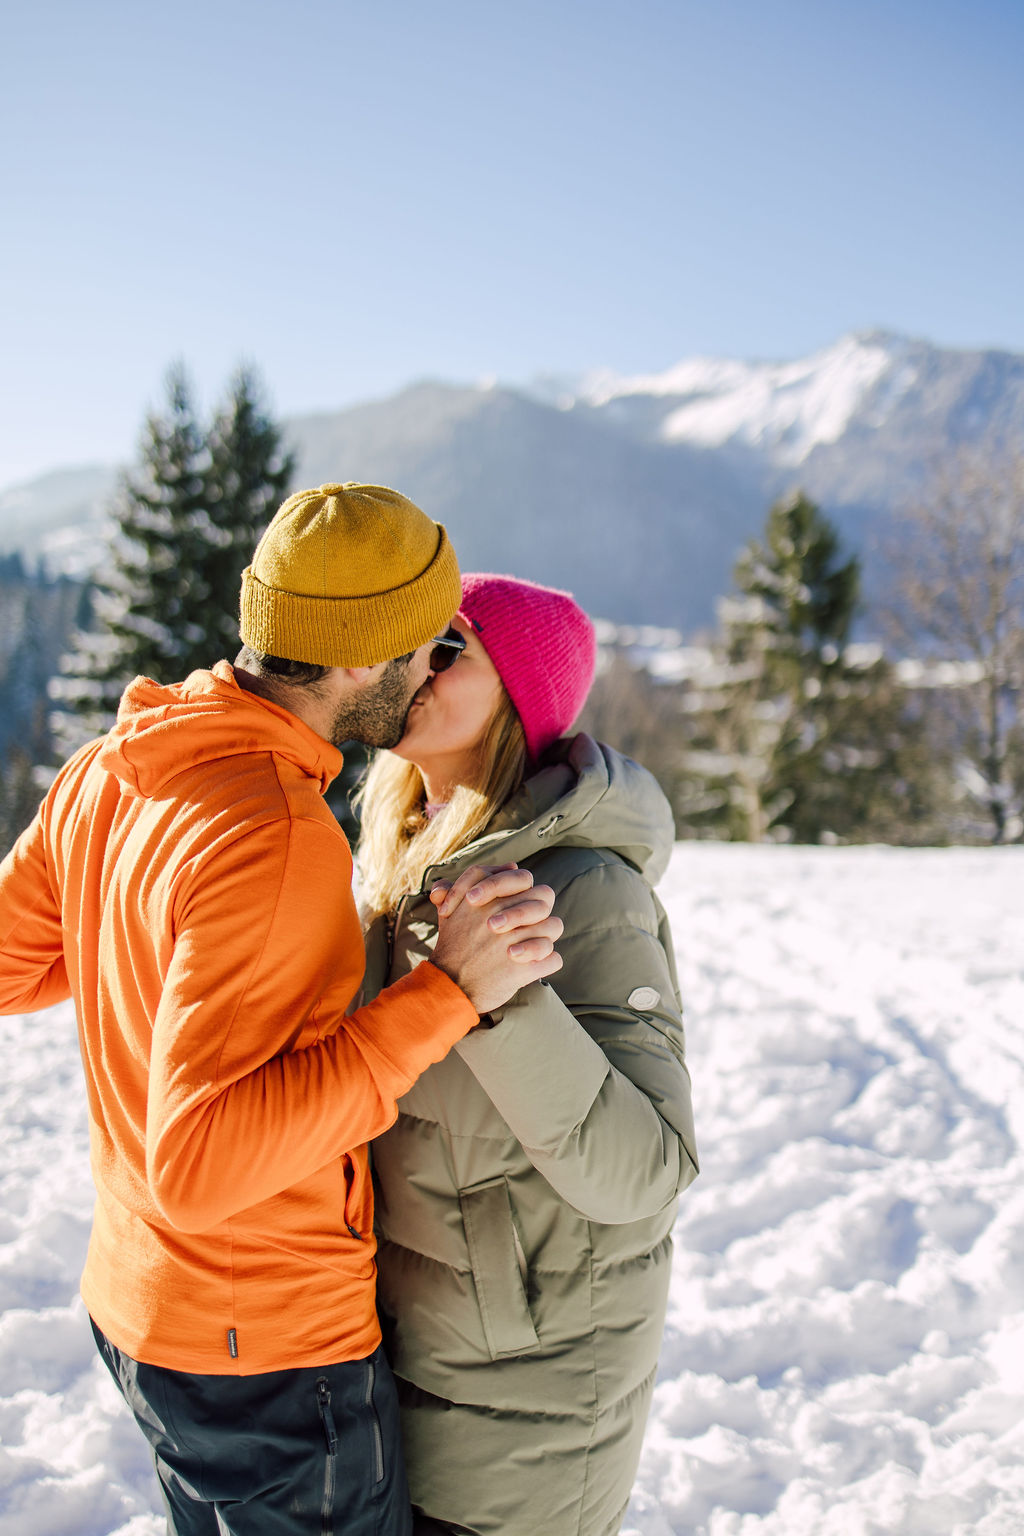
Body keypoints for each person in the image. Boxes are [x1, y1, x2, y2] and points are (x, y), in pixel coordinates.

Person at [0, 486, 563, 1536]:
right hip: (264, 1353)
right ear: (358, 660)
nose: (431, 673)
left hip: (142, 1314)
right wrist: (445, 995)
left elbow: (9, 964)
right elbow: (201, 1165)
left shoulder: (118, 769)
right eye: (426, 647)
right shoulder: (277, 833)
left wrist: (136, 913)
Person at [357, 573, 700, 1536]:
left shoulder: (583, 889)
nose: (414, 665)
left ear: (520, 694)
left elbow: (647, 1171)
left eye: (450, 648)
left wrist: (495, 999)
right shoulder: (393, 866)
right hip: (396, 1363)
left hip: (527, 1418)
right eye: (409, 641)